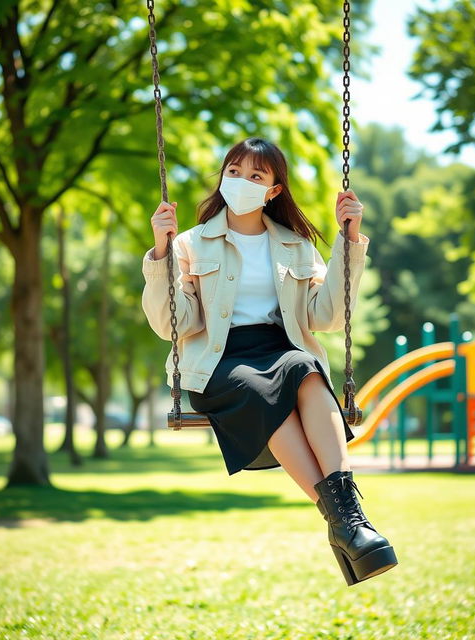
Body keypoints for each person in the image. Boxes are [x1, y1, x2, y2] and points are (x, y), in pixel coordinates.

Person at [141, 136, 397, 585]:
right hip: (217, 360)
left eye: (255, 176)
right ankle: (346, 523)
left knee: (306, 367)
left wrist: (349, 242)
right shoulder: (190, 244)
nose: (240, 182)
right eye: (233, 172)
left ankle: (348, 522)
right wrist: (160, 255)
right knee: (264, 389)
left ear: (274, 190)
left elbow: (328, 316)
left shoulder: (296, 246)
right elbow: (172, 324)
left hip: (279, 350)